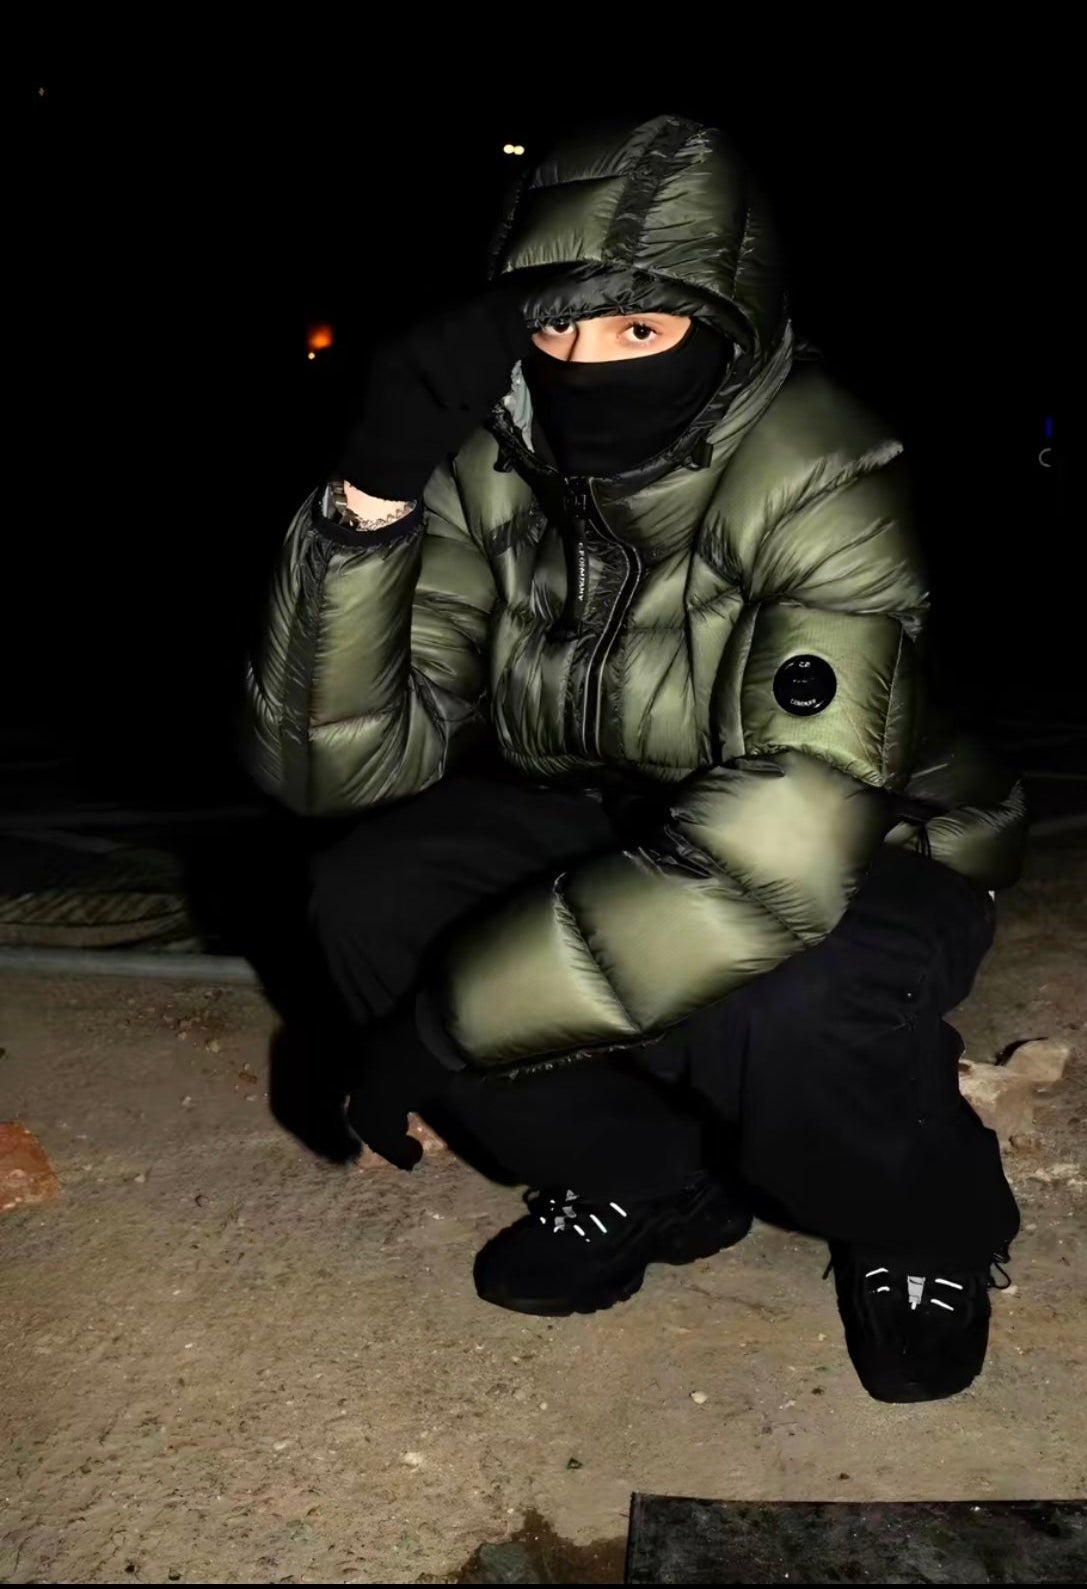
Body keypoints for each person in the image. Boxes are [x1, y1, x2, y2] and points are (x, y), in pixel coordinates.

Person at [245, 115, 1025, 1403]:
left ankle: (922, 1217)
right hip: (613, 800)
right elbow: (335, 772)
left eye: (639, 330)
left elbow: (783, 846)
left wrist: (448, 1025)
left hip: (867, 833)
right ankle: (645, 1177)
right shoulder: (490, 461)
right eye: (554, 331)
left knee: (786, 1006)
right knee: (370, 895)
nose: (584, 368)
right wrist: (369, 496)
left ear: (727, 324)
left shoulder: (827, 467)